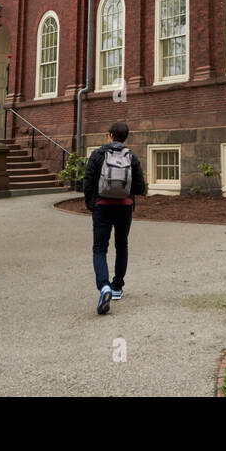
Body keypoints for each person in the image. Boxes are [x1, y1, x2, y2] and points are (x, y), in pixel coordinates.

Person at [83, 121, 147, 315]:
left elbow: (87, 181)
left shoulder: (97, 154)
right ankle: (117, 287)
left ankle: (104, 287)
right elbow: (140, 188)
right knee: (121, 245)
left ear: (110, 135)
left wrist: (91, 204)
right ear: (125, 137)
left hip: (102, 207)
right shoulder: (131, 157)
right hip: (124, 208)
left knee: (100, 249)